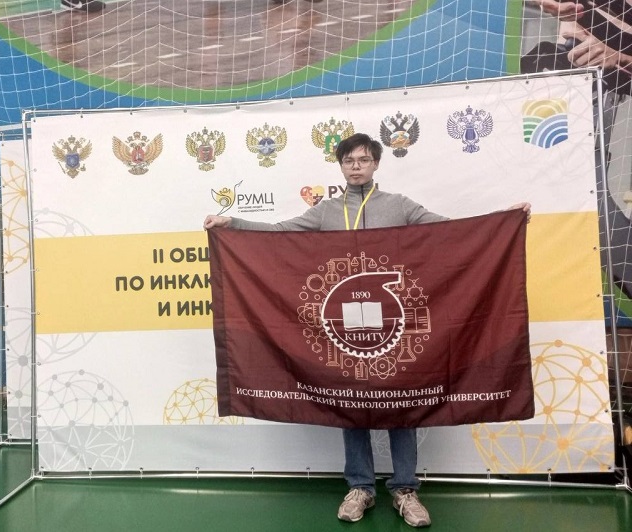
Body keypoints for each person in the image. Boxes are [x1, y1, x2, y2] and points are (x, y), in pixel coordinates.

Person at [204, 133, 531, 528]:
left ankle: (405, 489)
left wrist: (504, 221)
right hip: (342, 324)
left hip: (395, 323)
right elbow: (280, 232)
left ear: (376, 163)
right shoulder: (326, 211)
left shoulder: (399, 205)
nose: (356, 166)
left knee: (403, 404)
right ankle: (360, 486)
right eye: (349, 160)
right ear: (341, 166)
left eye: (363, 160)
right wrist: (233, 223)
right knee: (349, 403)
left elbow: (453, 232)